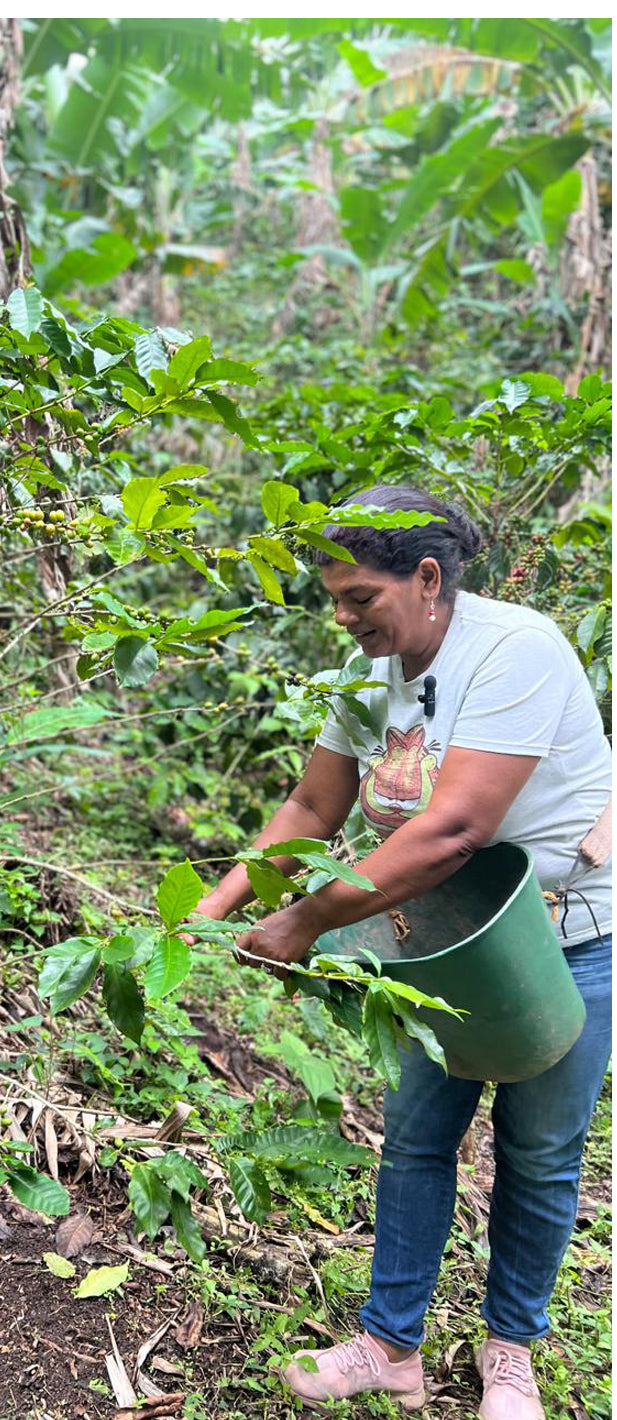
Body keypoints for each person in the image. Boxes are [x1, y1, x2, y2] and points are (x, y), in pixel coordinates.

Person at [186, 487, 612, 1419]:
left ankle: (511, 1355)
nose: (342, 617)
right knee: (416, 1139)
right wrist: (217, 907)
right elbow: (309, 809)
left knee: (538, 1153)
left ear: (427, 580)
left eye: (358, 598)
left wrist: (303, 923)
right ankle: (390, 1345)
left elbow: (455, 827)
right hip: (431, 939)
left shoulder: (514, 651)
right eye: (331, 598)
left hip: (560, 936)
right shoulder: (362, 670)